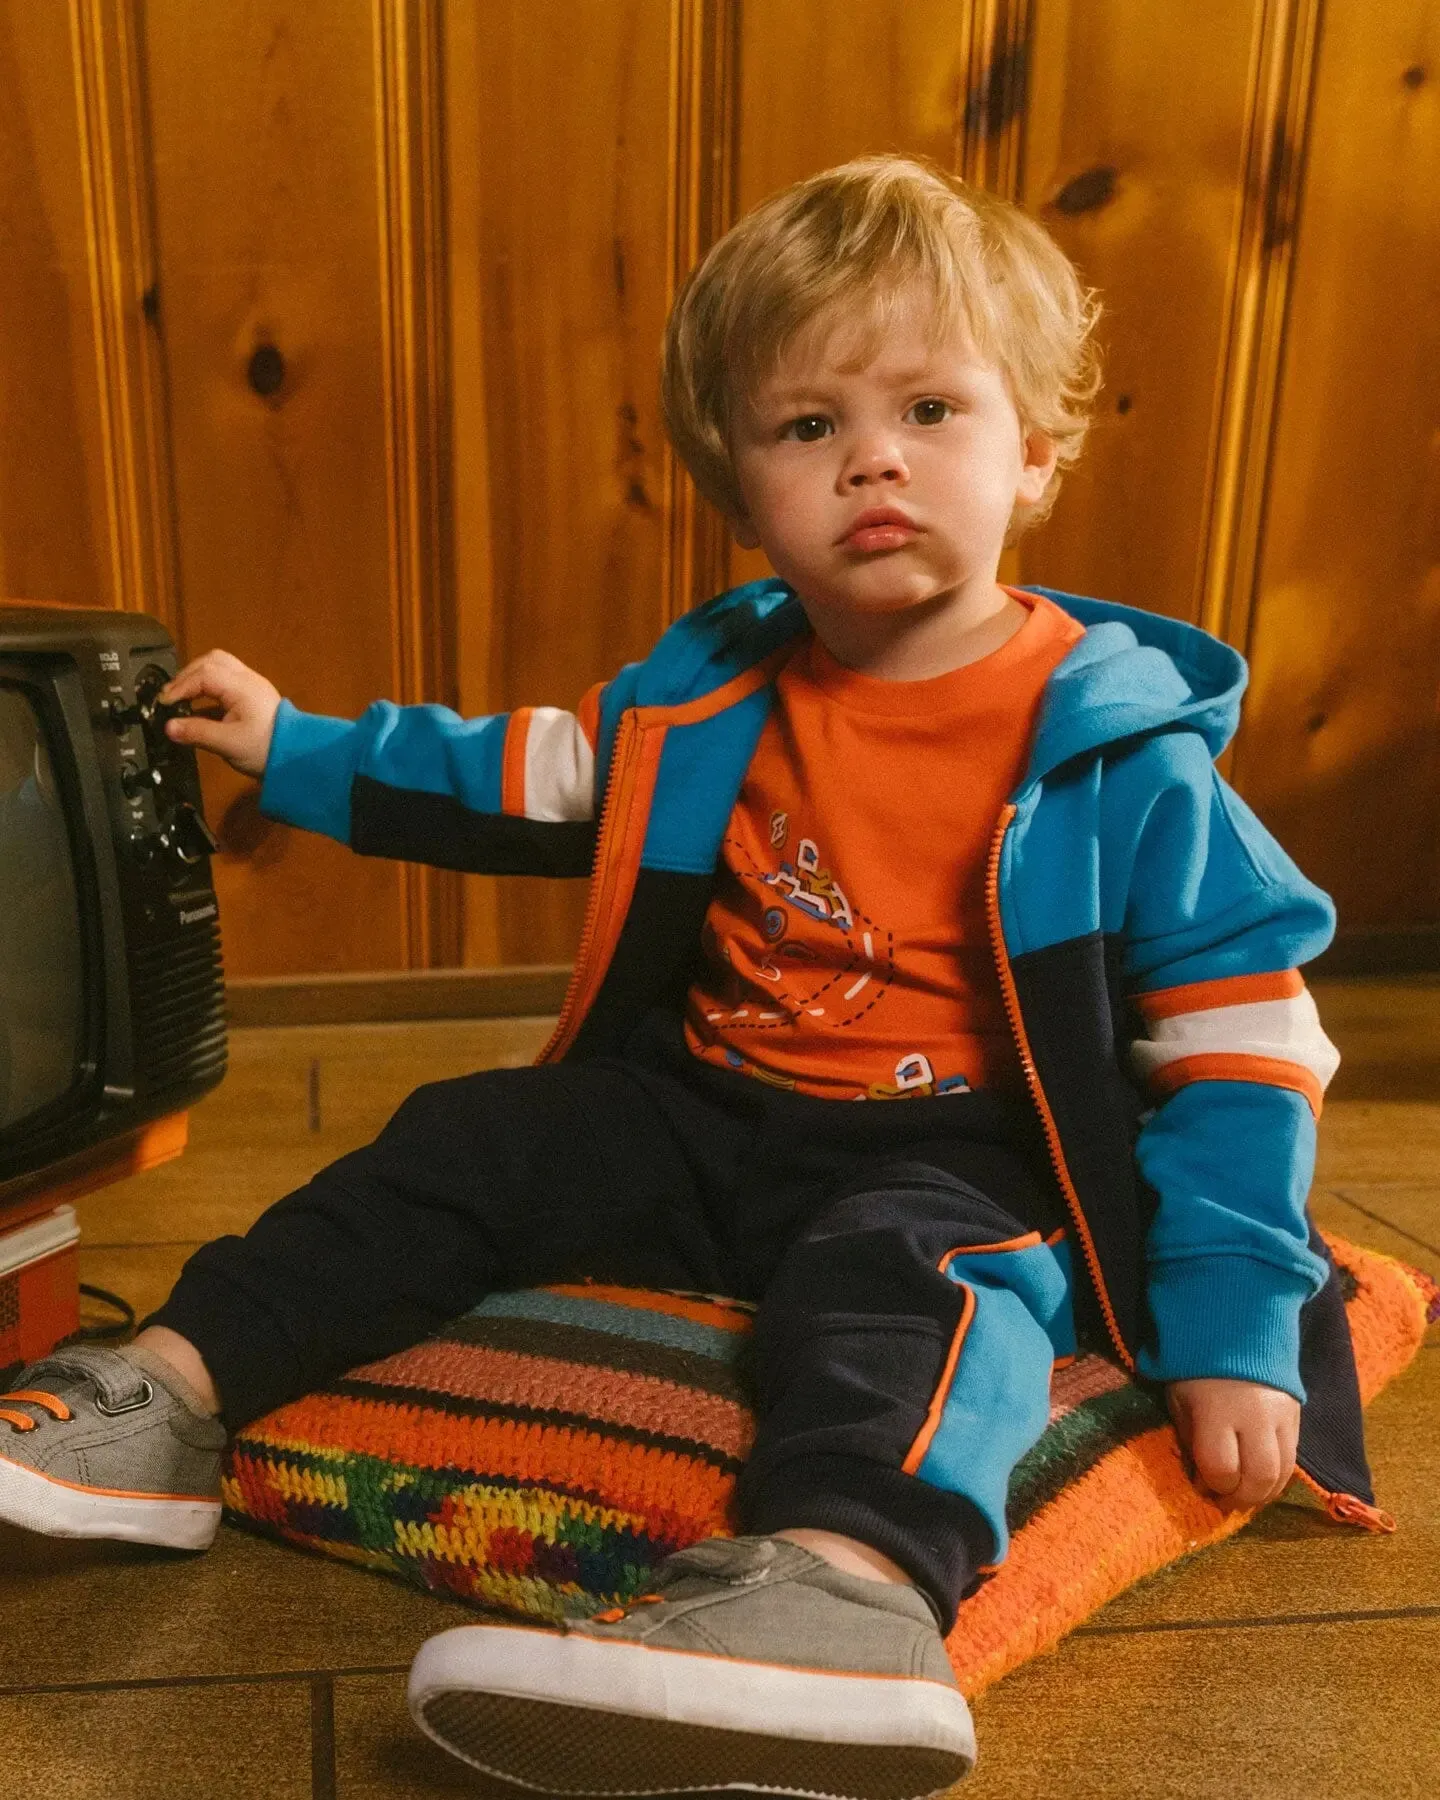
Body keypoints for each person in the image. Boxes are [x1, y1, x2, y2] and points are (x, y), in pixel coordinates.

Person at [0, 156, 1380, 1799]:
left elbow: (1242, 1056)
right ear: (743, 490)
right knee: (463, 1143)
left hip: (956, 1156)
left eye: (933, 408)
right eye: (808, 428)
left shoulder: (1123, 756)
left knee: (913, 1298)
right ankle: (159, 1401)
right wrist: (298, 748)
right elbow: (531, 777)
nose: (873, 456)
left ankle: (844, 1597)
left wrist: (1237, 1328)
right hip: (705, 1110)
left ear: (1039, 459)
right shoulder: (717, 697)